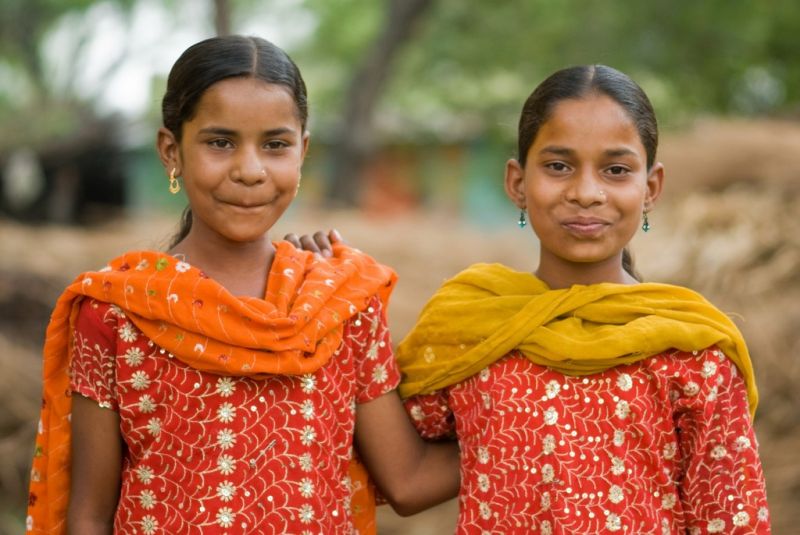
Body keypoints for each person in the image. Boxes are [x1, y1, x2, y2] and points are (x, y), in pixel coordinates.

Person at [298, 65, 771, 534]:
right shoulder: (474, 327)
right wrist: (348, 308)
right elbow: (408, 479)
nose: (586, 192)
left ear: (650, 188)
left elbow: (732, 522)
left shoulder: (693, 351)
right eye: (559, 166)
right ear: (518, 183)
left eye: (616, 170)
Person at [26, 35, 458, 535]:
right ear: (172, 150)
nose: (250, 171)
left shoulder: (339, 305)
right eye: (220, 142)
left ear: (303, 152)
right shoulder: (117, 311)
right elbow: (89, 516)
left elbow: (407, 479)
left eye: (275, 145)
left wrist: (539, 424)